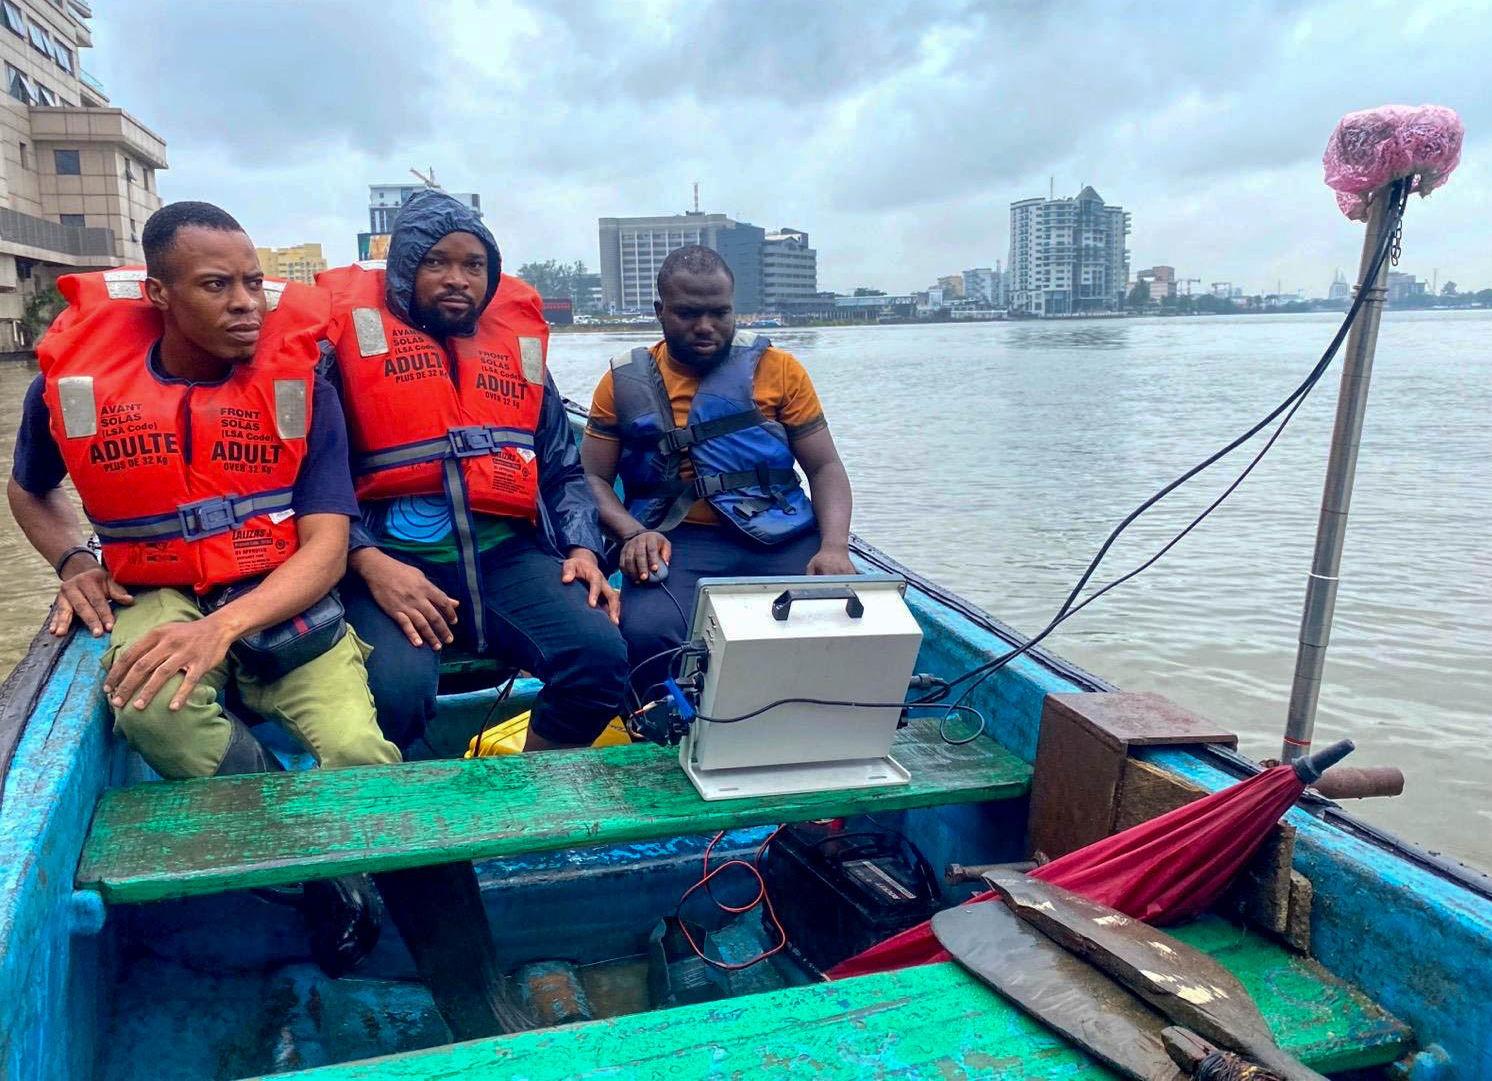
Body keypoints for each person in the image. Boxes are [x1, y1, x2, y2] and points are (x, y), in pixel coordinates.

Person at [5, 202, 531, 1041]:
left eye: (254, 281)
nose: (247, 302)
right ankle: (322, 877)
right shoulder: (71, 386)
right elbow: (30, 488)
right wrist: (73, 560)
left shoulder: (301, 380)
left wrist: (225, 628)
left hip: (284, 588)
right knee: (148, 709)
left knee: (365, 757)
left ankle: (475, 994)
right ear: (159, 292)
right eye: (217, 286)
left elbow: (326, 545)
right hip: (160, 589)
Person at [318, 190, 627, 754]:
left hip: (506, 557)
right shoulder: (340, 353)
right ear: (405, 268)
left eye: (473, 265)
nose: (456, 278)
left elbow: (561, 470)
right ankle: (414, 819)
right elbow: (313, 484)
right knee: (394, 692)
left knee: (599, 656)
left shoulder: (519, 353)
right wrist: (367, 561)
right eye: (436, 262)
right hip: (389, 561)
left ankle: (534, 790)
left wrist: (584, 550)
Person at [580, 244, 855, 703]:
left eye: (720, 313)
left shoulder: (781, 370)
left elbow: (825, 467)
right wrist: (630, 534)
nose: (706, 327)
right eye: (688, 314)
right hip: (673, 539)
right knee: (647, 636)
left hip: (780, 533)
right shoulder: (620, 382)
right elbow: (591, 480)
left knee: (838, 621)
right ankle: (664, 734)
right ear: (660, 311)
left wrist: (833, 546)